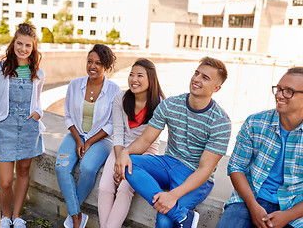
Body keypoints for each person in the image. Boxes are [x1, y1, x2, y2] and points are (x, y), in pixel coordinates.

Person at [115, 57, 232, 228]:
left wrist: (173, 195)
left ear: (217, 88)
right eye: (196, 73)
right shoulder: (170, 104)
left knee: (164, 220)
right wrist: (125, 153)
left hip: (195, 175)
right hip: (168, 163)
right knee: (128, 163)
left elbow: (205, 170)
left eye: (205, 78)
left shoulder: (220, 122)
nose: (196, 79)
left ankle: (175, 213)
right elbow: (146, 140)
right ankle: (182, 216)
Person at [217, 68, 303, 228]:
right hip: (251, 198)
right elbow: (236, 166)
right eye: (278, 89)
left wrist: (288, 216)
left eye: (289, 91)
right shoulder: (255, 123)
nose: (279, 95)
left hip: (295, 207)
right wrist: (252, 205)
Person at [55, 44, 120, 228]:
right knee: (61, 167)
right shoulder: (75, 85)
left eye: (98, 63)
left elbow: (111, 124)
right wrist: (78, 140)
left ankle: (73, 214)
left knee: (88, 168)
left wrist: (89, 142)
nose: (93, 66)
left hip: (102, 139)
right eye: (90, 61)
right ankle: (76, 216)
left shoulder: (114, 91)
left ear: (106, 66)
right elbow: (68, 116)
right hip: (77, 134)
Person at [0, 23, 45, 228]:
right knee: (4, 181)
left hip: (29, 127)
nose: (23, 48)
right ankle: (5, 216)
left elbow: (37, 101)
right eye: (19, 43)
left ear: (33, 47)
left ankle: (17, 216)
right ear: (13, 43)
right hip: (4, 128)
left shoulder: (38, 72)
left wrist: (39, 112)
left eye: (28, 45)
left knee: (23, 172)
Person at [98, 58, 165, 228]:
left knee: (124, 189)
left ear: (151, 79)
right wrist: (119, 160)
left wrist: (124, 164)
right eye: (131, 74)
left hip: (145, 154)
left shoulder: (160, 105)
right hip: (120, 149)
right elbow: (118, 133)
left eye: (140, 75)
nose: (134, 79)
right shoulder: (120, 99)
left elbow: (148, 141)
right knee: (105, 188)